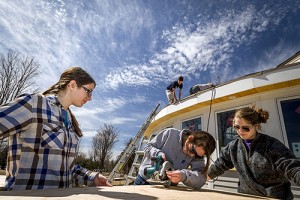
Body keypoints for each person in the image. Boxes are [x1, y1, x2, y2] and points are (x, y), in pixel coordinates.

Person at [0, 67, 112, 190]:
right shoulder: (34, 104)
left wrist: (91, 177)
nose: (90, 98)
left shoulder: (69, 121)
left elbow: (65, 168)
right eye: (88, 91)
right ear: (72, 85)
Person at [207, 106, 300, 199]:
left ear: (256, 125)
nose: (240, 131)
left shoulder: (271, 145)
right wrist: (201, 178)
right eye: (236, 127)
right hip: (246, 196)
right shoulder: (232, 147)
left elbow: (291, 167)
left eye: (245, 128)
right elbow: (219, 165)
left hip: (274, 197)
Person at [134, 128, 216, 190]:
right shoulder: (170, 133)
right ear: (190, 138)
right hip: (143, 181)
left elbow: (201, 179)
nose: (192, 155)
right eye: (192, 150)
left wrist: (184, 175)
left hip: (169, 188)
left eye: (197, 156)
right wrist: (158, 153)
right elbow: (147, 147)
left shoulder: (197, 155)